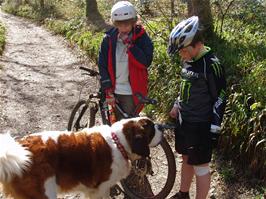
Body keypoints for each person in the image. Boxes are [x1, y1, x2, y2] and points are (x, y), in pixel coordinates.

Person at [167, 16, 226, 199]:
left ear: (196, 45)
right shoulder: (188, 60)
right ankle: (183, 193)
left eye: (183, 51)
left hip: (201, 124)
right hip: (185, 121)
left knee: (200, 167)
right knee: (185, 158)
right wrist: (177, 105)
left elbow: (221, 97)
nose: (181, 55)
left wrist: (214, 128)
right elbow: (184, 87)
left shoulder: (212, 64)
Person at [98, 1, 153, 121]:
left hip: (130, 91)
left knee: (128, 127)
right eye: (119, 25)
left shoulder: (142, 37)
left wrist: (130, 44)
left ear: (133, 22)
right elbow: (102, 65)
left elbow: (145, 62)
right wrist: (107, 90)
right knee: (116, 125)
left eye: (127, 25)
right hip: (114, 88)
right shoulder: (108, 39)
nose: (123, 28)